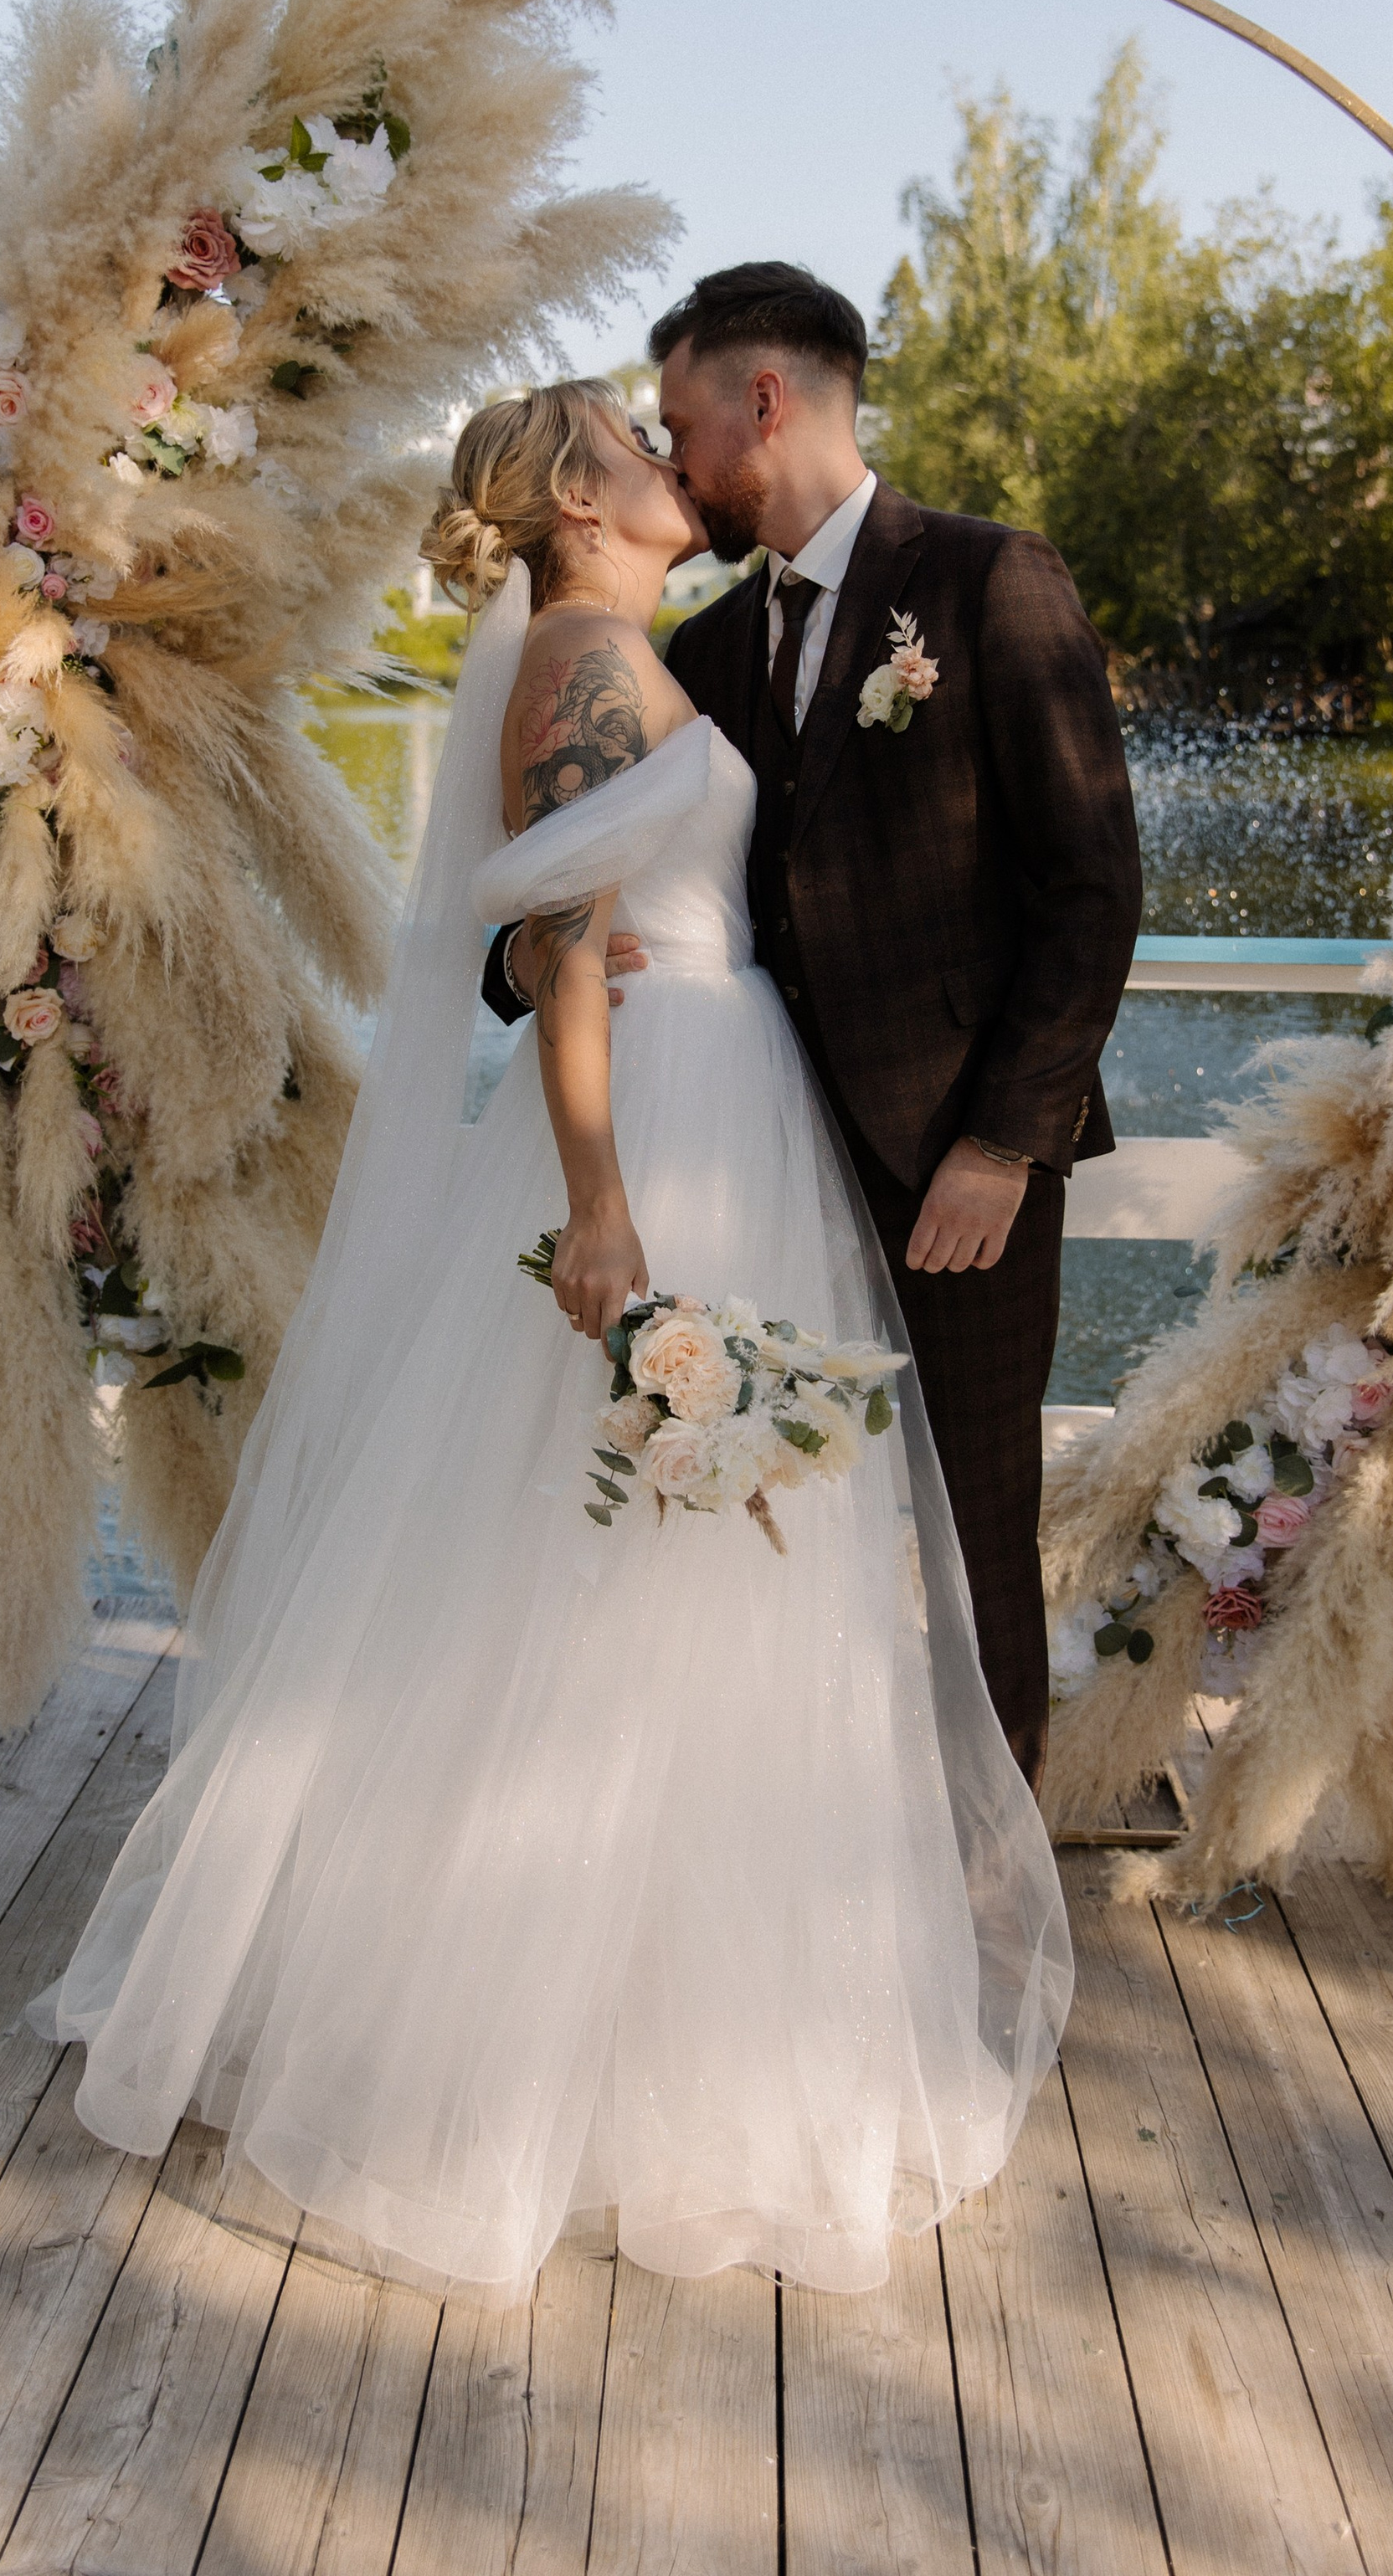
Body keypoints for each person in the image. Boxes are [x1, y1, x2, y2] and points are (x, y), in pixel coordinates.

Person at [33, 377, 1072, 2299]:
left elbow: (562, 929)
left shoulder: (622, 651)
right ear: (570, 498)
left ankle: (712, 2001)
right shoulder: (578, 671)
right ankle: (537, 2043)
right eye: (627, 437)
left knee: (706, 1561)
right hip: (657, 1114)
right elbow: (569, 946)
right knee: (605, 1552)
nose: (667, 460)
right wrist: (598, 1200)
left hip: (724, 1094)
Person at [486, 265, 1142, 1782]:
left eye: (678, 420)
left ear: (760, 402)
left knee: (978, 1530)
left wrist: (1001, 1141)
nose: (672, 453)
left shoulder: (989, 581)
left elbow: (1090, 886)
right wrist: (527, 964)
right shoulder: (695, 653)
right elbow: (572, 887)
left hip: (950, 1181)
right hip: (757, 1168)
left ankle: (992, 1888)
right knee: (755, 1532)